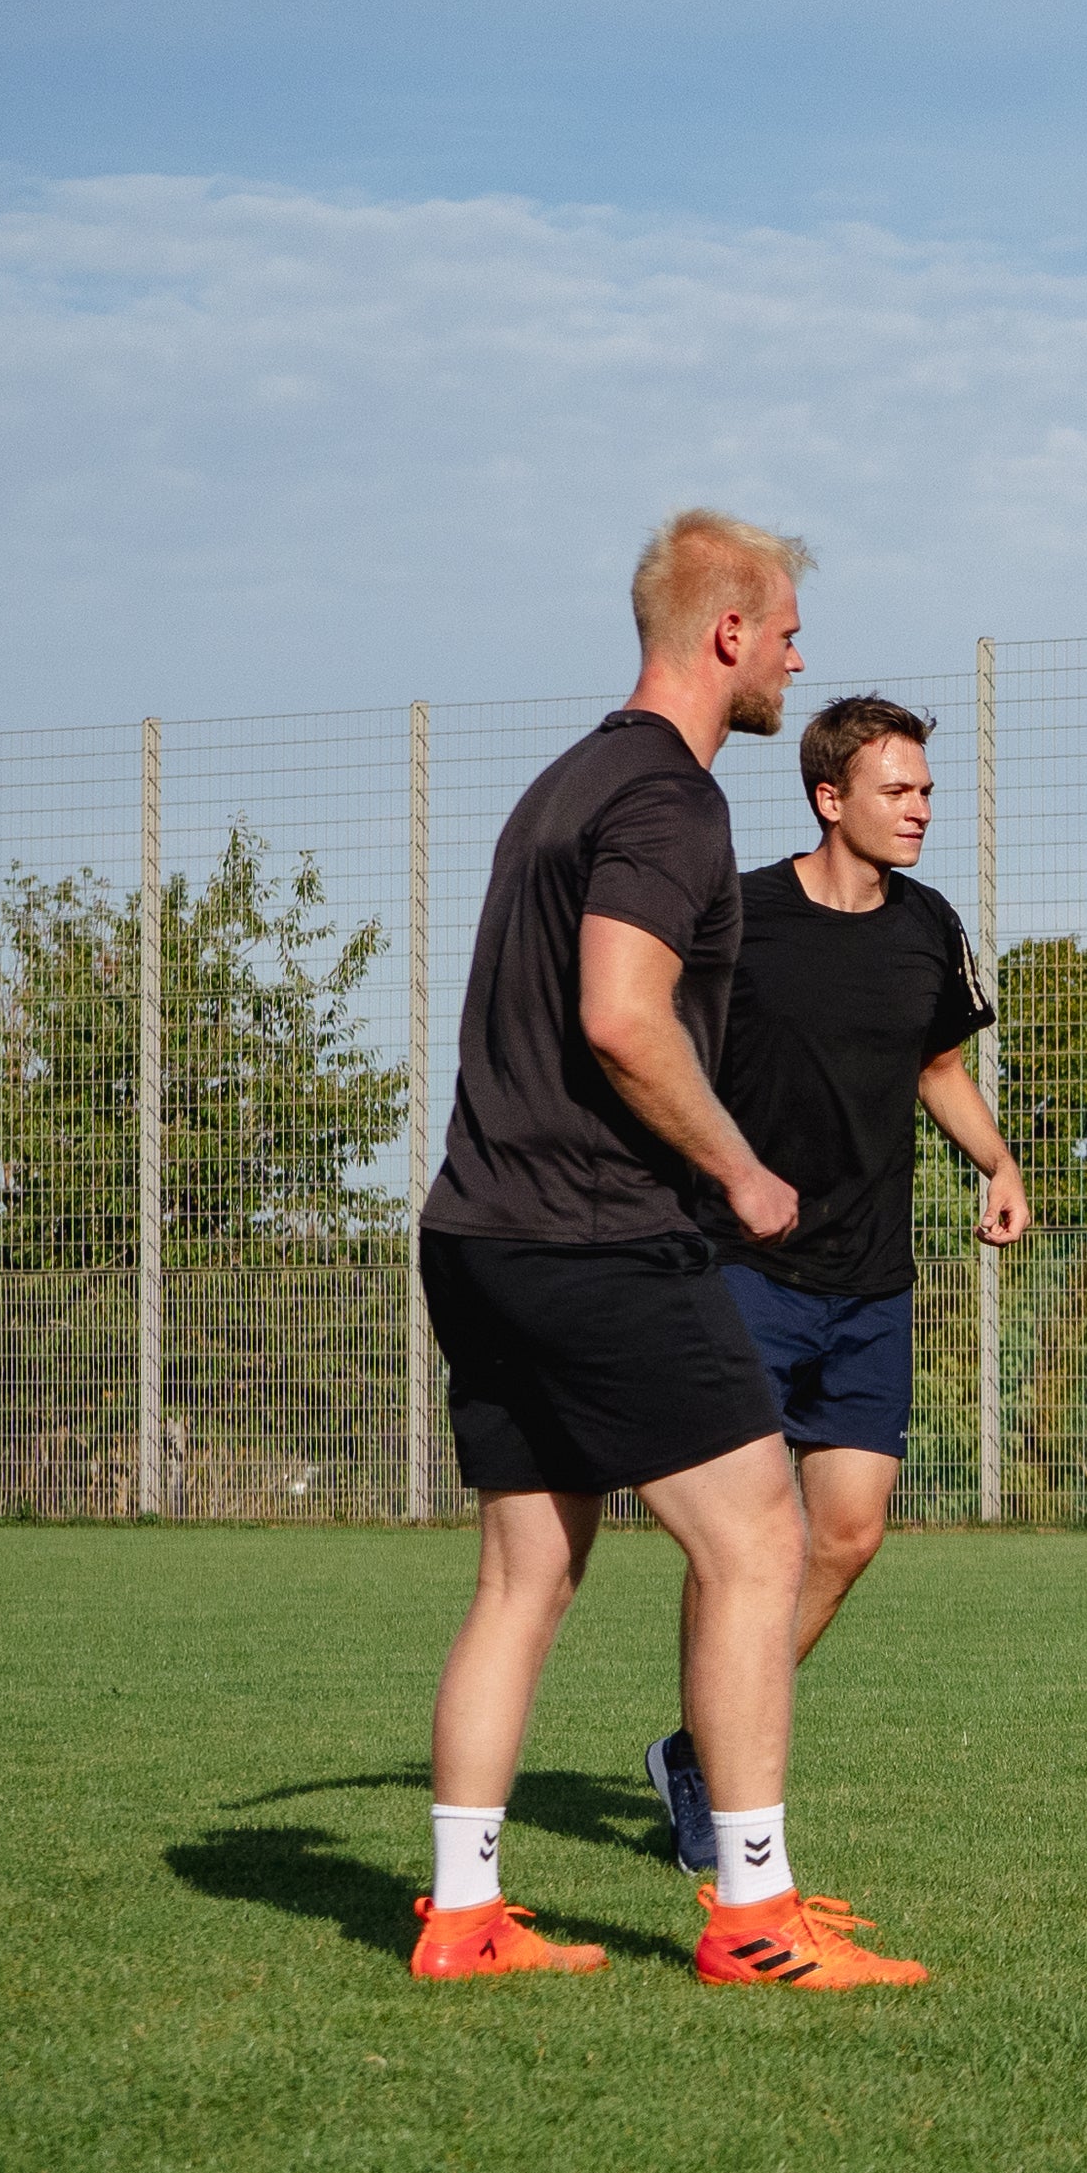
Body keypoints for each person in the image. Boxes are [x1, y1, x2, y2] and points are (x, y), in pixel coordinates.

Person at [407, 510, 928, 1993]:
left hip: (477, 1231)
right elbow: (622, 1014)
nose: (795, 654)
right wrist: (740, 1167)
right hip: (593, 1237)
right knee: (760, 1537)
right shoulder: (668, 800)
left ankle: (460, 1916)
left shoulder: (563, 782)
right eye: (783, 632)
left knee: (526, 1573)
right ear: (725, 636)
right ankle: (754, 1917)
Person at [641, 693, 1030, 1876]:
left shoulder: (931, 927)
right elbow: (656, 1047)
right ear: (829, 797)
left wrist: (999, 1158)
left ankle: (696, 1752)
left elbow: (938, 1063)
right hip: (744, 1271)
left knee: (847, 1535)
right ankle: (720, 1782)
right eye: (896, 790)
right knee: (744, 1540)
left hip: (872, 1282)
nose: (920, 809)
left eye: (924, 789)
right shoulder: (741, 916)